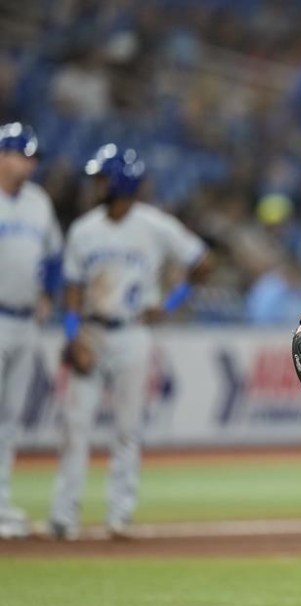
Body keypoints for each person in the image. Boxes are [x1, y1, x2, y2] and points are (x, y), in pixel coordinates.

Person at [49, 143, 210, 540]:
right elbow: (71, 289)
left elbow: (201, 261)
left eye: (102, 178)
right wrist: (72, 337)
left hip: (133, 333)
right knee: (75, 426)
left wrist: (170, 303)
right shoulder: (84, 229)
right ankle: (64, 517)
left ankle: (119, 514)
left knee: (127, 428)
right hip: (90, 330)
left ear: (120, 181)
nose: (96, 185)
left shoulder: (154, 225)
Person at [0, 123, 62, 539]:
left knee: (9, 420)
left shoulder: (39, 202)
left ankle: (1, 502)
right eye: (22, 154)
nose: (29, 163)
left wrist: (48, 295)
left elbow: (55, 257)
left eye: (33, 156)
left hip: (25, 321)